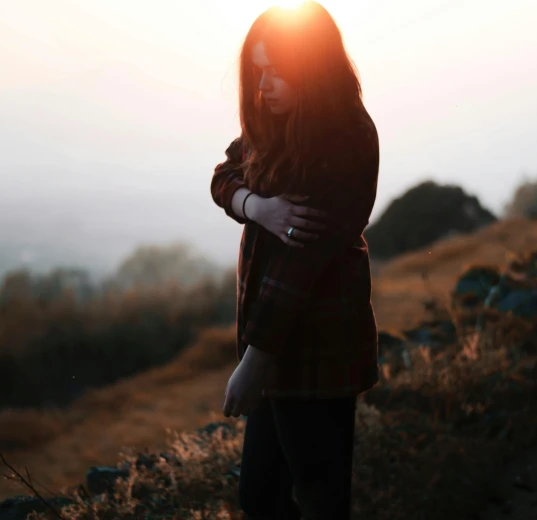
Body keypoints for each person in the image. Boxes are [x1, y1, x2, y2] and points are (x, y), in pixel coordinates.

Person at [210, 2, 380, 518]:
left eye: (277, 69)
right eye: (258, 71)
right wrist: (256, 206)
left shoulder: (343, 138)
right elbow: (222, 176)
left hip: (317, 349)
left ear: (313, 62)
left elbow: (297, 266)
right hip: (279, 351)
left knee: (318, 497)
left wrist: (252, 364)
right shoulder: (278, 123)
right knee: (263, 498)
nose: (264, 86)